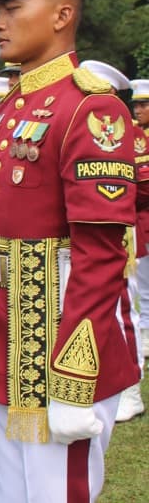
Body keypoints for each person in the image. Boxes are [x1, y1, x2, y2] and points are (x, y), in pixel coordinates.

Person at [0, 0, 140, 502]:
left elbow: (102, 254)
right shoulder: (11, 107)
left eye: (14, 7)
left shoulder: (90, 108)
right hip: (4, 330)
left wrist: (74, 376)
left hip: (59, 335)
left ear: (63, 14)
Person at [78, 60, 146, 424]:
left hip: (116, 231)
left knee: (122, 308)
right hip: (82, 234)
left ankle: (131, 388)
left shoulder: (128, 133)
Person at [132, 78, 149, 362]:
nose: (138, 110)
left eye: (144, 104)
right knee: (144, 283)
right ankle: (145, 332)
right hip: (140, 217)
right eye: (135, 104)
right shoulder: (131, 134)